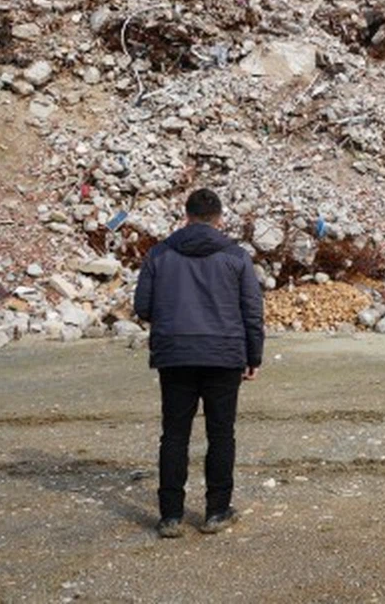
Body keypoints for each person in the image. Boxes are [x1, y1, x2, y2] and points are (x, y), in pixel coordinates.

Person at [134, 188, 265, 538]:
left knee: (174, 435)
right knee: (221, 433)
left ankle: (171, 517)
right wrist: (254, 356)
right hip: (224, 355)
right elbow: (252, 311)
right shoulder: (236, 256)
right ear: (220, 218)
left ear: (186, 215)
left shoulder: (160, 254)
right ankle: (216, 512)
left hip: (175, 355)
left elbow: (143, 306)